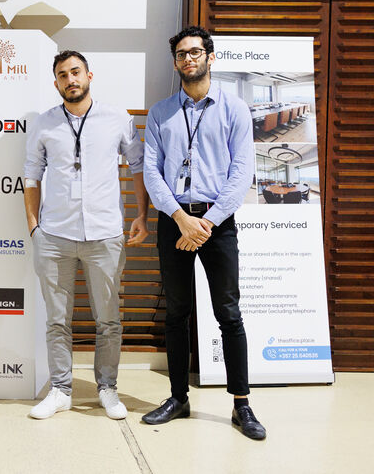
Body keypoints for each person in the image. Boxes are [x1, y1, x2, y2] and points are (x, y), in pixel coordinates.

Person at [142, 26, 266, 440]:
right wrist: (181, 218)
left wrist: (207, 223)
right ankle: (178, 397)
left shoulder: (234, 109)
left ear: (210, 57)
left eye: (195, 52)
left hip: (217, 223)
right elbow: (151, 174)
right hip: (174, 220)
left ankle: (241, 405)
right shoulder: (160, 113)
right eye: (181, 54)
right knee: (176, 313)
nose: (188, 59)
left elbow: (241, 173)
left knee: (228, 313)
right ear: (175, 62)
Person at [23, 50, 150, 420]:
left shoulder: (117, 119)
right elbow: (31, 175)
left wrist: (142, 214)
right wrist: (35, 227)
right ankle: (61, 390)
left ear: (89, 75)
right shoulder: (45, 123)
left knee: (108, 319)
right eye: (63, 75)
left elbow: (137, 165)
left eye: (76, 72)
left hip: (106, 234)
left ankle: (107, 388)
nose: (70, 80)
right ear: (56, 83)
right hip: (55, 235)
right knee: (57, 319)